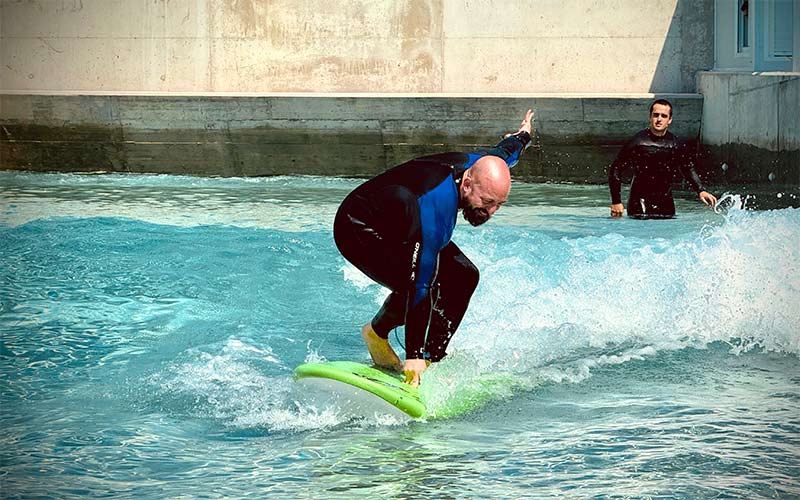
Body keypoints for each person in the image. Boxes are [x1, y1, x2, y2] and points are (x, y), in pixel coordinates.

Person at [334, 109, 534, 388]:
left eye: (499, 204)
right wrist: (412, 355)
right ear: (467, 184)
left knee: (465, 275)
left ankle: (432, 359)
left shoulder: (484, 167)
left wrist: (523, 135)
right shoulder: (437, 209)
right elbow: (421, 284)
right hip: (358, 228)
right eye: (487, 202)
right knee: (424, 283)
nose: (491, 211)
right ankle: (379, 337)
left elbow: (504, 152)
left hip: (403, 220)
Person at [609, 99, 717, 219]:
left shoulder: (675, 144)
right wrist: (616, 202)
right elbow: (616, 169)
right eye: (656, 115)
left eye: (664, 116)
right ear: (650, 117)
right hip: (639, 200)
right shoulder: (638, 142)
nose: (659, 119)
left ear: (669, 120)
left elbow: (687, 168)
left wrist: (700, 190)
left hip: (666, 200)